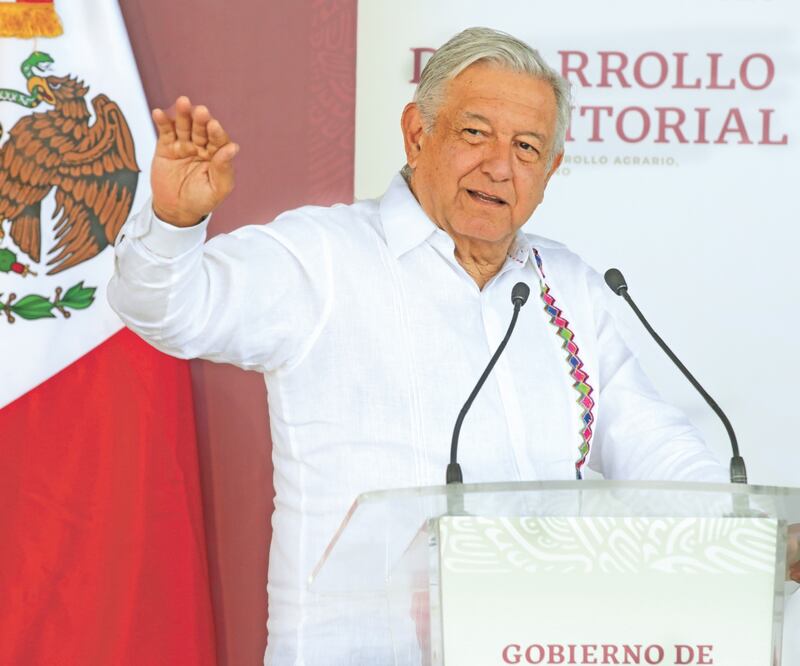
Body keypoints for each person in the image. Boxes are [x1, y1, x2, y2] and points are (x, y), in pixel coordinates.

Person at [109, 27, 733, 665]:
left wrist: (747, 536)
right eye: (474, 133)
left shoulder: (567, 284)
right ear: (416, 133)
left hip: (532, 644)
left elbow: (652, 444)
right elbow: (167, 309)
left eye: (526, 147)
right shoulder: (325, 257)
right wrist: (175, 224)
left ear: (550, 171)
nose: (499, 164)